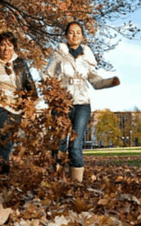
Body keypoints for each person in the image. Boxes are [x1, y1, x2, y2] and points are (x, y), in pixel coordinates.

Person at [43, 22, 120, 182]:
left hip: (82, 104)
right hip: (62, 103)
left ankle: (76, 184)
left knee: (75, 144)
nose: (75, 35)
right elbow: (47, 76)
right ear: (66, 36)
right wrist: (52, 92)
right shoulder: (58, 54)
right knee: (59, 143)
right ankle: (57, 181)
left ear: (83, 36)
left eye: (78, 32)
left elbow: (96, 81)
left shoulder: (87, 56)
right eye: (71, 32)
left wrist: (110, 82)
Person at [0, 31, 36, 174]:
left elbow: (31, 87)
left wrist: (28, 103)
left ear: (14, 47)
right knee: (6, 134)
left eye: (9, 45)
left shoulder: (20, 63)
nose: (6, 48)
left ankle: (2, 172)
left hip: (16, 109)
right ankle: (1, 173)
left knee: (7, 141)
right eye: (3, 45)